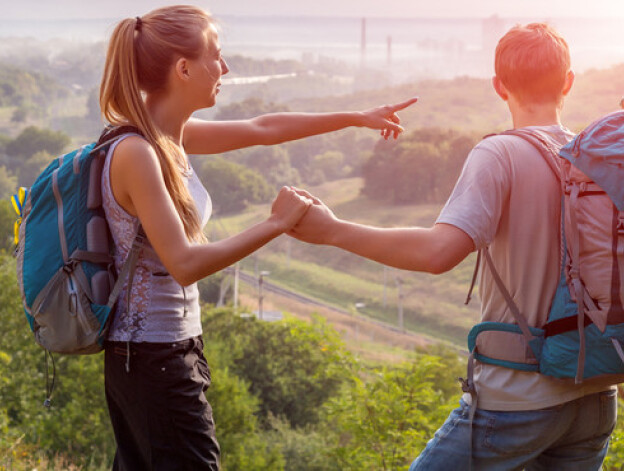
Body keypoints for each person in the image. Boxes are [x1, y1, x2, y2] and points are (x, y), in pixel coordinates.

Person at [288, 23, 624, 470]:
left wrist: (332, 230)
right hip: (595, 397)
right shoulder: (594, 159)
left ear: (499, 87)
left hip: (518, 396)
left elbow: (438, 253)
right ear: (569, 83)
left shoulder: (498, 154)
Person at [98, 5, 415, 470]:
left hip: (163, 353)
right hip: (151, 359)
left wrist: (357, 117)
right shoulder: (137, 152)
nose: (224, 68)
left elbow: (263, 129)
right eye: (217, 56)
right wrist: (276, 223)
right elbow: (184, 262)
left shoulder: (166, 137)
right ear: (184, 69)